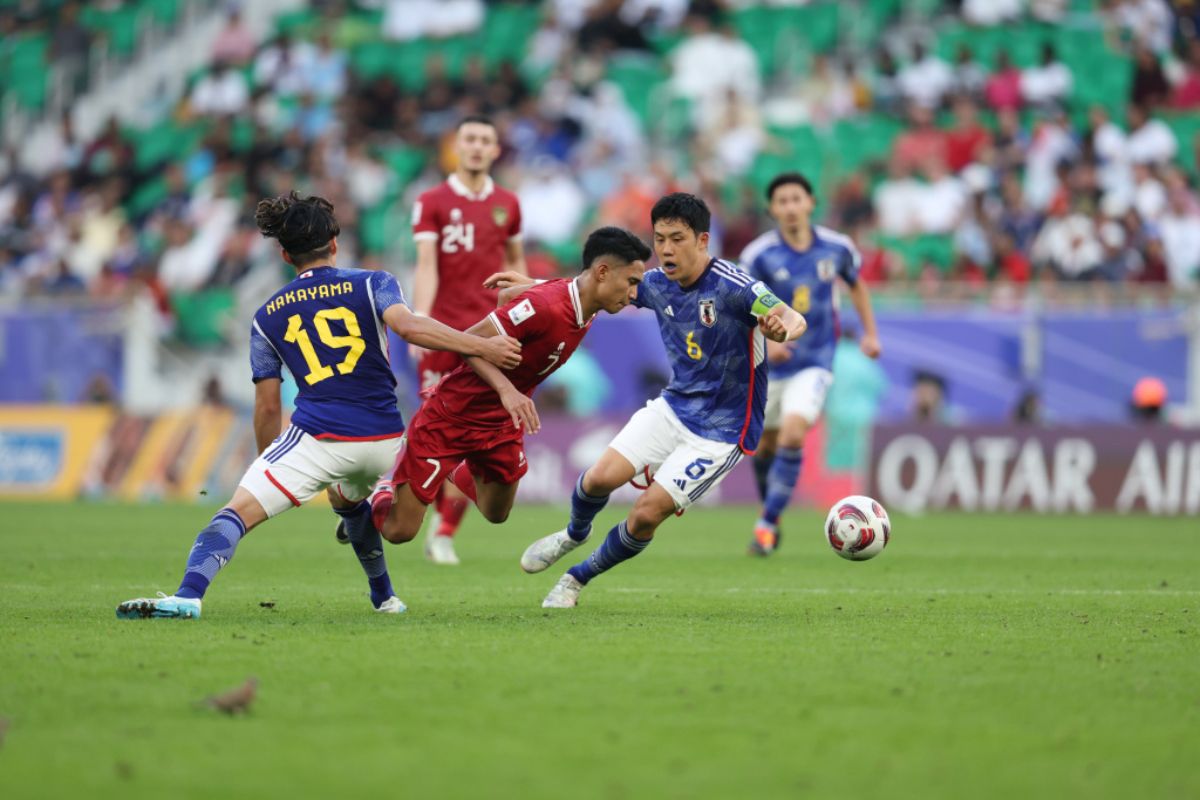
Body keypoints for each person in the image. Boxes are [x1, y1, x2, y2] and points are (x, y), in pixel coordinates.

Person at [116, 193, 522, 620]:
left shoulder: (267, 316)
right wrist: (483, 346)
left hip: (320, 437)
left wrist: (267, 466)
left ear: (284, 253)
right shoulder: (374, 283)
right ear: (334, 242)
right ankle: (385, 597)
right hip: (384, 438)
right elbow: (410, 327)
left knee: (234, 514)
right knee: (346, 500)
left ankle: (187, 595)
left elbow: (268, 407)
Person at [515, 193, 807, 608]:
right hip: (673, 408)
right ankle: (573, 534)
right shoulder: (653, 283)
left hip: (723, 431)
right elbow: (589, 289)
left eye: (678, 238)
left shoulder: (735, 285)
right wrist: (530, 288)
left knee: (646, 513)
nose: (666, 249)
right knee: (598, 479)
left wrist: (780, 331)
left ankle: (576, 579)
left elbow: (794, 318)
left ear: (703, 240)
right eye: (660, 239)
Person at [368, 227, 651, 554]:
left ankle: (456, 469)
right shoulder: (543, 306)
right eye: (631, 282)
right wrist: (507, 389)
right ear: (602, 272)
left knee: (496, 512)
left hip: (501, 423)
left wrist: (530, 286)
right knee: (399, 532)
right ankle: (380, 494)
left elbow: (563, 289)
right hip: (453, 414)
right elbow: (470, 342)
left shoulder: (586, 306)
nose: (633, 294)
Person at [738, 173, 881, 556]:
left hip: (815, 359)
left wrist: (869, 333)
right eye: (781, 201)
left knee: (794, 432)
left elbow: (857, 285)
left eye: (795, 199)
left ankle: (766, 525)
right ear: (772, 209)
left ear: (810, 202)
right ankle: (773, 511)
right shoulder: (758, 255)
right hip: (769, 364)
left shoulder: (837, 247)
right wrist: (768, 340)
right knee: (764, 444)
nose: (789, 207)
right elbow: (743, 305)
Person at [407, 115, 527, 565]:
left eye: (485, 140)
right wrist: (420, 319)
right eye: (469, 140)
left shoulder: (508, 204)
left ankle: (444, 531)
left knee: (485, 437)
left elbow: (516, 266)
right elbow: (427, 264)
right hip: (445, 333)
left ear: (496, 150)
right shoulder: (432, 201)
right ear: (457, 147)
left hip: (494, 337)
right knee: (433, 431)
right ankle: (396, 505)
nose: (477, 147)